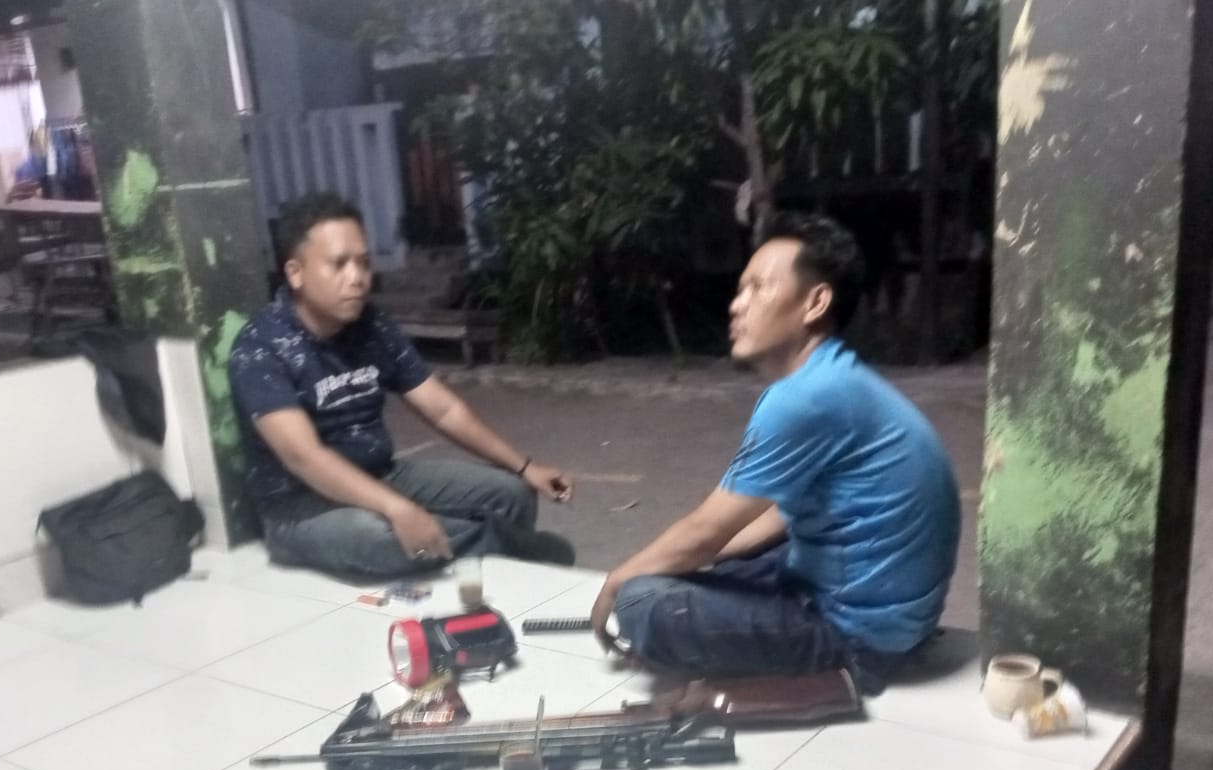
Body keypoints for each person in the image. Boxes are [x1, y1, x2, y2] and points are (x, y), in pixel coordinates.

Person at [591, 211, 960, 690]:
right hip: (898, 619)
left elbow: (705, 531)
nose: (736, 305)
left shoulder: (804, 397)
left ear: (815, 302)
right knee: (711, 564)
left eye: (758, 288)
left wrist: (617, 582)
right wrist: (696, 562)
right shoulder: (837, 377)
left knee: (641, 600)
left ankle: (825, 667)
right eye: (739, 289)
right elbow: (771, 519)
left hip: (861, 639)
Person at [229, 191, 575, 578]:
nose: (357, 278)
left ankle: (499, 565)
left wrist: (525, 466)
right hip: (299, 507)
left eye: (363, 262)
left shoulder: (372, 326)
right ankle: (508, 549)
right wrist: (397, 508)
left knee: (510, 494)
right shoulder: (261, 347)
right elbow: (304, 458)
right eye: (339, 264)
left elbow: (443, 409)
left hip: (381, 474)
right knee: (381, 538)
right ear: (296, 273)